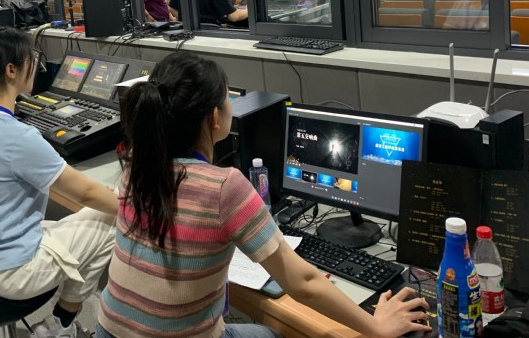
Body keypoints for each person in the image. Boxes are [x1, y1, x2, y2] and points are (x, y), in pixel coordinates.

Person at [97, 51, 429, 338]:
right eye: (228, 97)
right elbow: (303, 283)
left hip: (108, 328)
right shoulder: (223, 187)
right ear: (215, 118)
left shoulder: (136, 165)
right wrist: (376, 326)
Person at [0, 25, 118, 338]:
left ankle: (63, 318)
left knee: (86, 219)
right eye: (30, 58)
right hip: (1, 271)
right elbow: (87, 192)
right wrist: (143, 206)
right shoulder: (18, 137)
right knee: (110, 217)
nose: (36, 64)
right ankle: (62, 323)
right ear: (11, 70)